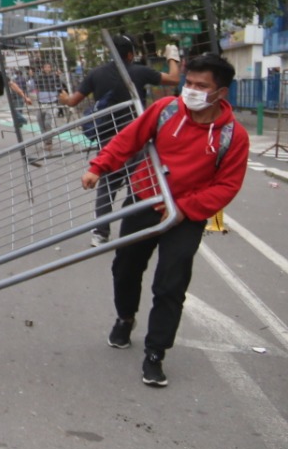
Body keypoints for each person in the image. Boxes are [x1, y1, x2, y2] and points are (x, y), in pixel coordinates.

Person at [81, 53, 247, 388]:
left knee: (171, 284)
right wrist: (99, 167)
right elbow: (130, 139)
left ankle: (156, 352)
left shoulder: (233, 136)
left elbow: (227, 185)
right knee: (125, 267)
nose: (192, 90)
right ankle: (125, 318)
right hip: (145, 199)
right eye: (190, 83)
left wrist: (186, 209)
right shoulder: (167, 110)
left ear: (221, 93)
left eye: (202, 86)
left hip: (186, 214)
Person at [60, 35, 181, 246]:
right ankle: (139, 229)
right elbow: (173, 79)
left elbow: (72, 101)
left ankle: (100, 233)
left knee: (107, 186)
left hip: (108, 137)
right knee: (142, 183)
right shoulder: (139, 71)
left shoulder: (96, 73)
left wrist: (63, 98)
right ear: (130, 54)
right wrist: (173, 58)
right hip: (138, 137)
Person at [33, 61, 68, 151]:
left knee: (48, 123)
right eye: (45, 67)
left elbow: (62, 88)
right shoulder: (38, 78)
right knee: (41, 124)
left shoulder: (55, 78)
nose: (47, 69)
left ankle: (49, 142)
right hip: (41, 104)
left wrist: (60, 76)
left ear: (51, 68)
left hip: (52, 104)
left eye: (49, 67)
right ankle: (45, 141)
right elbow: (31, 86)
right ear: (42, 68)